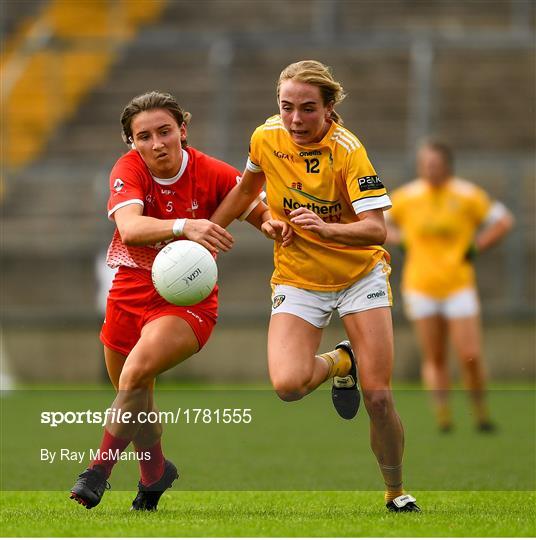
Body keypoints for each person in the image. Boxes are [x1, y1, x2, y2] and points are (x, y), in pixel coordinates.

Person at [211, 60, 420, 512]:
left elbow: (375, 230)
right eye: (286, 107)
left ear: (329, 109)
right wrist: (213, 234)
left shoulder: (348, 150)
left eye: (307, 109)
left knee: (379, 397)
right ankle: (343, 360)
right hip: (298, 277)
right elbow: (247, 193)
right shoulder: (266, 137)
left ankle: (396, 492)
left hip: (357, 276)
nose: (295, 120)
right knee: (287, 385)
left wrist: (326, 231)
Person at [70, 91, 273, 511]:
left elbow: (258, 209)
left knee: (135, 374)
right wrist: (186, 226)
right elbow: (129, 228)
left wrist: (275, 226)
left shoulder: (211, 171)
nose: (157, 143)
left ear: (183, 129)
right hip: (129, 292)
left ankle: (97, 472)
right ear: (131, 142)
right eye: (143, 136)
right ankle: (155, 473)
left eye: (165, 131)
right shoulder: (128, 170)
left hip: (185, 302)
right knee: (136, 398)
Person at [386, 140, 514, 433]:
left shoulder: (467, 195)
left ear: (446, 165)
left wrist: (478, 245)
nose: (429, 169)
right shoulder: (407, 197)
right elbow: (377, 222)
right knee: (435, 356)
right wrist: (400, 239)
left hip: (458, 286)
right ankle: (444, 417)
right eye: (425, 165)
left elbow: (503, 220)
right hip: (421, 287)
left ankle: (481, 414)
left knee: (470, 354)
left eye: (434, 164)